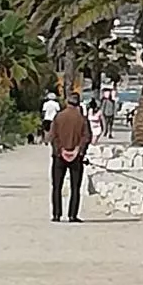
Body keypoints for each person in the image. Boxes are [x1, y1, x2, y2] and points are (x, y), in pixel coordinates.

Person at [49, 92, 92, 223]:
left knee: (57, 186)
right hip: (76, 158)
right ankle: (72, 215)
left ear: (67, 102)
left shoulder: (59, 117)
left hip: (59, 156)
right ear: (78, 103)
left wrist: (60, 150)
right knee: (75, 187)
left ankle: (56, 215)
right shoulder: (82, 119)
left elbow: (53, 136)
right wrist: (78, 150)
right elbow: (87, 137)